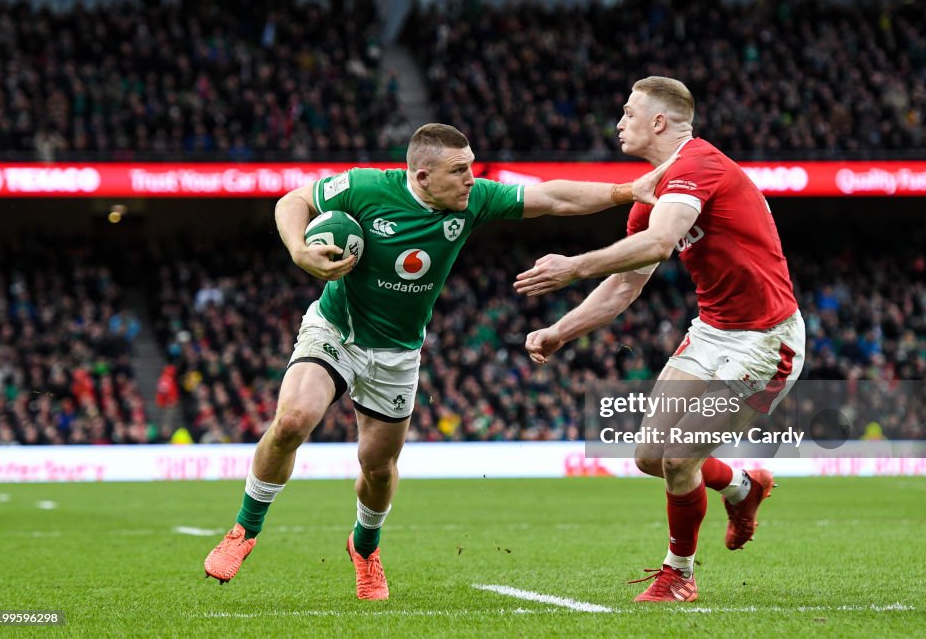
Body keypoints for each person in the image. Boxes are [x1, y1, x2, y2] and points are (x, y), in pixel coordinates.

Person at [203, 123, 675, 598]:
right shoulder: (367, 187)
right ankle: (245, 529)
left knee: (378, 465)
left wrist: (625, 191)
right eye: (459, 170)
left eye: (471, 167)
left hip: (397, 352)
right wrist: (301, 252)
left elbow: (551, 197)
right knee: (293, 420)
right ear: (423, 176)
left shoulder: (474, 200)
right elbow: (293, 201)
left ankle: (365, 547)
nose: (471, 178)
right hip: (336, 328)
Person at [514, 77, 806, 603]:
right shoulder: (651, 189)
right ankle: (744, 486)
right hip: (713, 331)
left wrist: (573, 266)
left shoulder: (700, 166)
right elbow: (627, 284)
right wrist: (560, 332)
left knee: (678, 459)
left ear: (658, 122)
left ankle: (679, 575)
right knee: (651, 455)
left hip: (765, 340)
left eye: (628, 112)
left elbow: (662, 241)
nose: (619, 122)